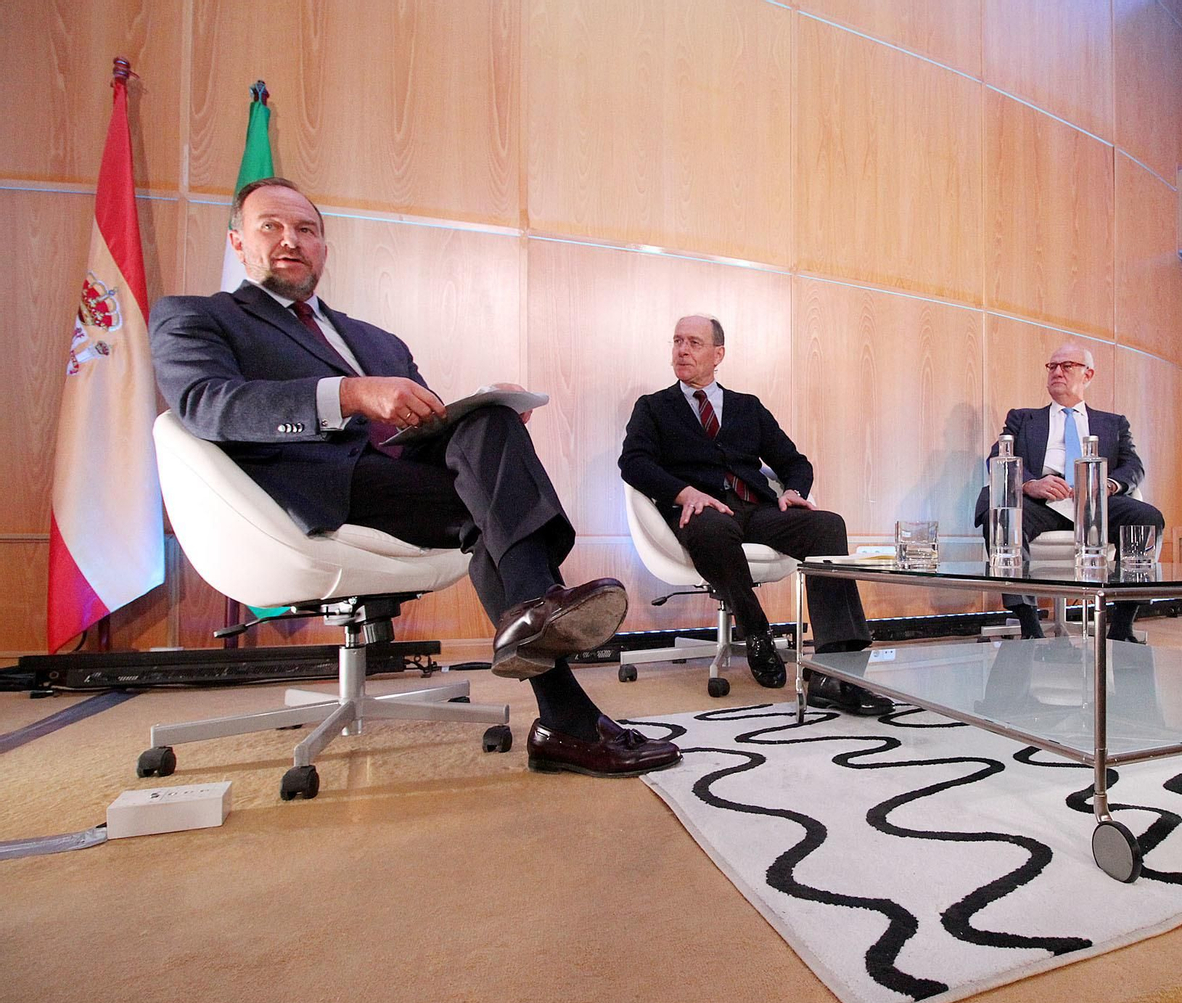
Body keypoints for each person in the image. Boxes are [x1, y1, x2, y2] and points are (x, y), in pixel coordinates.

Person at [150, 177, 680, 775]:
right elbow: (205, 402)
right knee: (492, 514)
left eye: (306, 230)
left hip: (400, 485)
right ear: (238, 242)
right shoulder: (196, 317)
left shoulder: (378, 340)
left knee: (489, 430)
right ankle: (552, 669)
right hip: (309, 490)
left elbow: (420, 430)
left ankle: (545, 657)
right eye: (270, 226)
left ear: (323, 247)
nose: (290, 240)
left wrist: (479, 410)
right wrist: (349, 394)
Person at [618, 314, 891, 714]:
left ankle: (834, 670)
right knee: (712, 528)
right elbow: (633, 463)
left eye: (694, 342)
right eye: (677, 341)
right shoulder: (654, 408)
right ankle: (757, 629)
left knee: (827, 525)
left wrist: (794, 492)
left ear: (718, 353)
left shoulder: (748, 407)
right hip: (701, 511)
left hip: (756, 510)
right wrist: (684, 492)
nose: (682, 350)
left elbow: (794, 461)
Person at [973, 340, 1165, 641]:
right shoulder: (1022, 419)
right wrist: (1031, 484)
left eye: (1067, 366)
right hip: (1041, 502)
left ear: (1088, 374)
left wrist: (1107, 484)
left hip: (1095, 503)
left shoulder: (1113, 423)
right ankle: (1029, 625)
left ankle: (1123, 623)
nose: (1057, 372)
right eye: (1052, 366)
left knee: (1146, 517)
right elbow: (998, 457)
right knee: (1004, 518)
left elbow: (1133, 465)